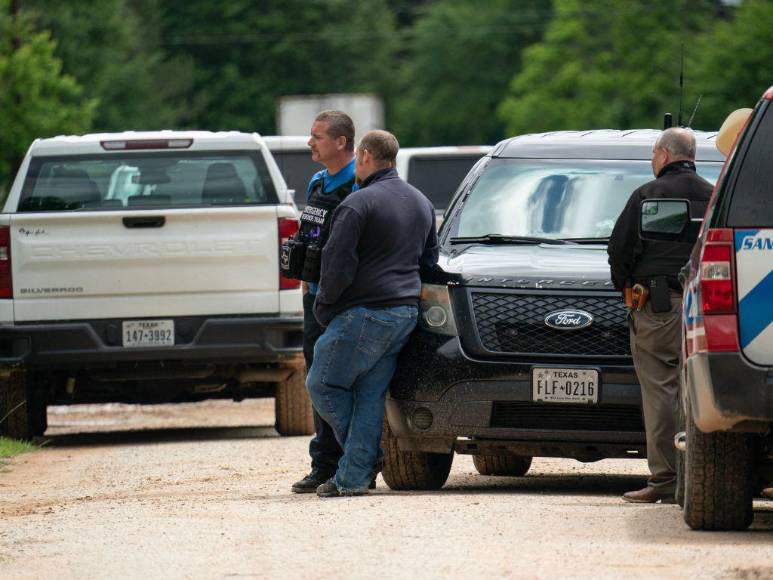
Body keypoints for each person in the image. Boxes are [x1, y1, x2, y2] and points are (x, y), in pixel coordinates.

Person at [306, 129, 439, 497]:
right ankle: (352, 479)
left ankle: (364, 460)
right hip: (405, 315)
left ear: (364, 156)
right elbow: (430, 261)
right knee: (369, 395)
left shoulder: (357, 204)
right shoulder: (421, 202)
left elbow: (336, 266)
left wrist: (323, 309)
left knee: (322, 383)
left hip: (365, 314)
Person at [608, 127, 713, 504]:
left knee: (660, 392)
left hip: (658, 307)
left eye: (653, 153)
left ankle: (666, 479)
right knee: (701, 391)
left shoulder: (647, 195)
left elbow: (619, 251)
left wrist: (625, 286)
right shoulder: (715, 195)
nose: (652, 160)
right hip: (708, 309)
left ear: (664, 155)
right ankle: (702, 478)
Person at [291, 111, 358, 494]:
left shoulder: (358, 184)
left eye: (317, 137)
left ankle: (353, 463)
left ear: (341, 142)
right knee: (316, 379)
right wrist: (306, 285)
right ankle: (323, 464)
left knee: (340, 382)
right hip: (315, 299)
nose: (309, 142)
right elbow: (310, 239)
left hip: (345, 302)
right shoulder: (318, 181)